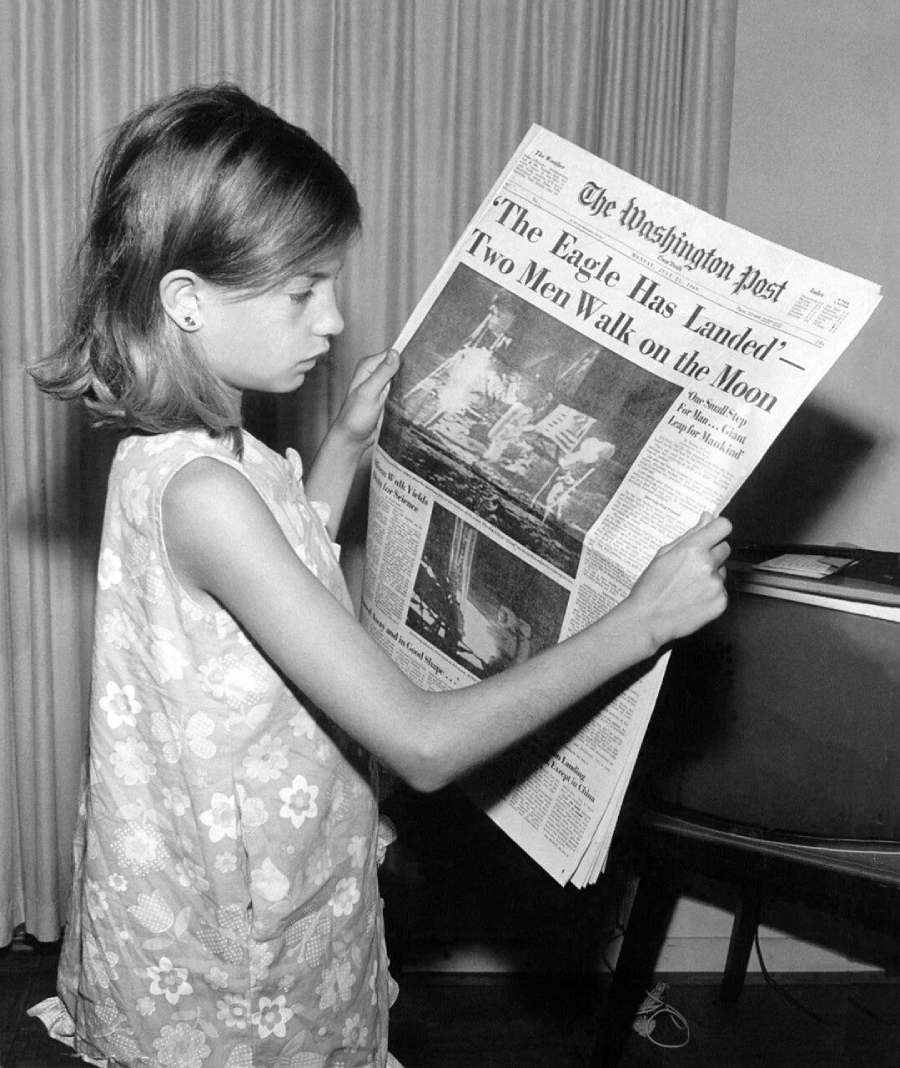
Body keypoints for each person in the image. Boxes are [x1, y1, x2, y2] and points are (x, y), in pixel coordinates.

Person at [26, 84, 731, 1068]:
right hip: (243, 951)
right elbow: (424, 745)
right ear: (186, 300)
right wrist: (637, 624)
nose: (334, 318)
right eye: (302, 290)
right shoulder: (206, 491)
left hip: (270, 879)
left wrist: (346, 450)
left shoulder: (199, 453)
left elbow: (270, 591)